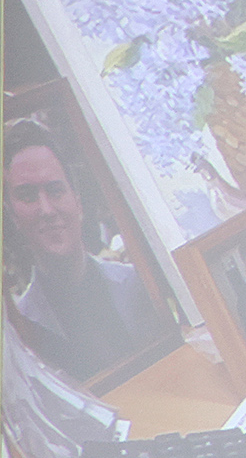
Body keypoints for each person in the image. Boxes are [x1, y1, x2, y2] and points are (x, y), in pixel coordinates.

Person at [4, 118, 174, 382]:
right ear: (12, 215)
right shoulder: (21, 329)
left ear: (78, 201)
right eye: (28, 196)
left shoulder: (138, 284)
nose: (46, 210)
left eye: (55, 190)